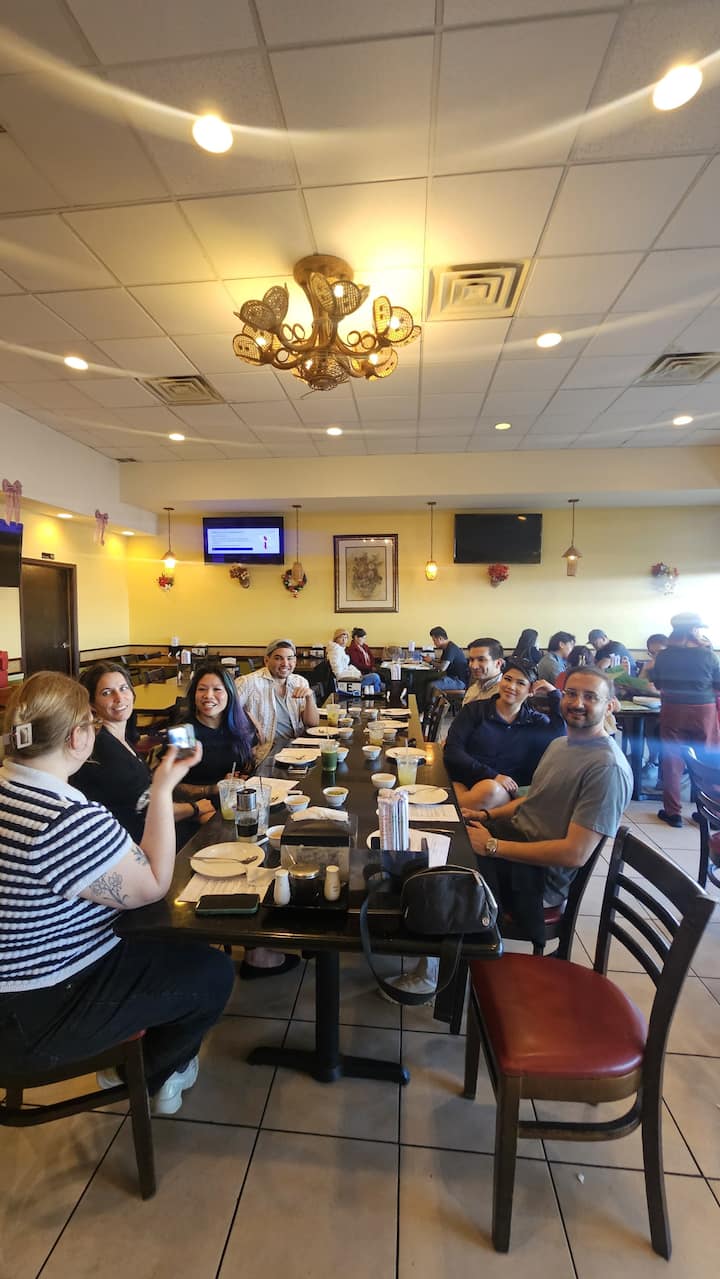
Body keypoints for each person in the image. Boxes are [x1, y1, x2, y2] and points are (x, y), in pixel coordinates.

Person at [0, 672, 234, 1115]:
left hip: (19, 989)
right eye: (91, 724)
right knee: (213, 973)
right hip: (33, 1015)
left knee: (167, 945)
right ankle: (146, 1071)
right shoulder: (66, 817)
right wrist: (163, 787)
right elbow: (153, 885)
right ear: (77, 738)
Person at [465, 666, 633, 946]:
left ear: (609, 706)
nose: (578, 703)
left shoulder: (607, 768)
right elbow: (534, 800)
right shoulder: (559, 745)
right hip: (514, 840)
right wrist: (485, 815)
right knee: (446, 838)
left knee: (451, 875)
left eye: (590, 697)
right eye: (571, 693)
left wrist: (492, 846)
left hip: (538, 878)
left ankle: (458, 959)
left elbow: (574, 853)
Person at [74, 662, 215, 843]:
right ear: (92, 704)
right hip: (137, 842)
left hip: (147, 827)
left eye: (123, 688)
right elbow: (147, 810)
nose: (119, 698)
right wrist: (195, 808)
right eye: (107, 693)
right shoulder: (105, 749)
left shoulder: (118, 738)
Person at [444, 661, 565, 810]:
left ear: (531, 691)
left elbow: (561, 734)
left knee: (489, 790)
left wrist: (554, 693)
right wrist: (492, 775)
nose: (511, 686)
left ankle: (448, 812)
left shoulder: (536, 721)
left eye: (520, 683)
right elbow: (452, 751)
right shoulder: (475, 710)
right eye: (507, 679)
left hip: (503, 791)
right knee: (464, 789)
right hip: (465, 780)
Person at [651, 614, 720, 827]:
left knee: (672, 760)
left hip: (673, 709)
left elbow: (658, 683)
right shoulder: (709, 655)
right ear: (694, 630)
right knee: (707, 758)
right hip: (704, 710)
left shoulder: (664, 656)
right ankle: (711, 813)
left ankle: (673, 813)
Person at [170, 661, 257, 803]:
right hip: (199, 807)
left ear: (229, 693)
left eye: (217, 689)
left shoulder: (241, 723)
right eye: (202, 689)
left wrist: (242, 776)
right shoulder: (183, 733)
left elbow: (250, 759)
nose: (208, 695)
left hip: (236, 800)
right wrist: (214, 788)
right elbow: (173, 787)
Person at [235, 639, 319, 759]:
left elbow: (312, 723)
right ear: (266, 660)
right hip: (263, 753)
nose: (285, 663)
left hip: (296, 749)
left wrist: (309, 697)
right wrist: (250, 722)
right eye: (278, 658)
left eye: (289, 658)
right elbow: (226, 712)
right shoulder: (248, 682)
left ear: (295, 661)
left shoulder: (300, 682)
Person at [414, 626, 469, 713]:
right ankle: (422, 709)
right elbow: (441, 662)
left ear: (440, 638)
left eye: (434, 640)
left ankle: (430, 712)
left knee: (432, 685)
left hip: (458, 681)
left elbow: (443, 667)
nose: (434, 643)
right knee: (424, 681)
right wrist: (431, 660)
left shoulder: (451, 648)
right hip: (451, 678)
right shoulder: (447, 647)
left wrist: (431, 661)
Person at [327, 627, 382, 694]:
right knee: (375, 677)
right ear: (336, 639)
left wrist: (357, 673)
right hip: (347, 682)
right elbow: (338, 673)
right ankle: (376, 697)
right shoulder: (335, 651)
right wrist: (355, 676)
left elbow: (347, 667)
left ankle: (376, 696)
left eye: (346, 638)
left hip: (353, 677)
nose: (344, 640)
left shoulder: (341, 649)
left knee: (378, 678)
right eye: (341, 638)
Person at [462, 637, 504, 706]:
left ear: (498, 663)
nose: (474, 666)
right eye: (471, 660)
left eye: (481, 660)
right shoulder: (474, 688)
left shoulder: (505, 692)